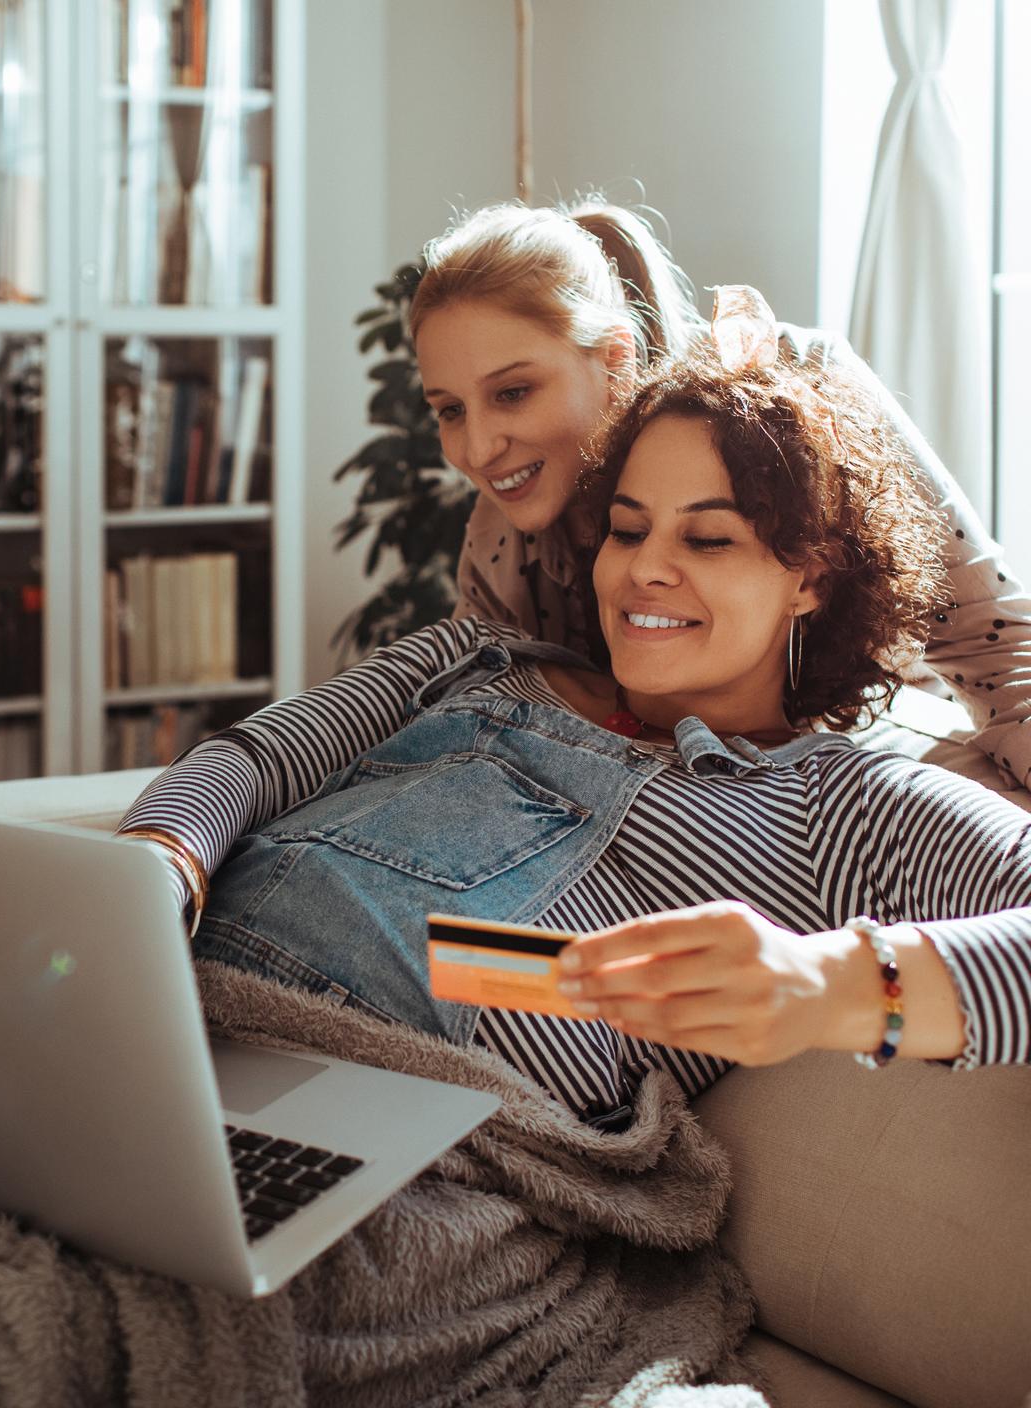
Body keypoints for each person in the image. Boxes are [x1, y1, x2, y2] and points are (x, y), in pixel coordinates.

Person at [118, 315, 1030, 1129]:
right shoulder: (470, 659)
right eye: (628, 531)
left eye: (708, 540)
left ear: (812, 578)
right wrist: (157, 862)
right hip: (157, 1048)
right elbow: (254, 757)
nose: (645, 572)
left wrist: (831, 985)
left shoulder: (852, 805)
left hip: (411, 1161)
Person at [408, 199, 1031, 792]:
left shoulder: (802, 399)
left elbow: (996, 643)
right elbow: (473, 719)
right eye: (450, 409)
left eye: (513, 392)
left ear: (615, 361)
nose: (481, 448)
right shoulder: (504, 536)